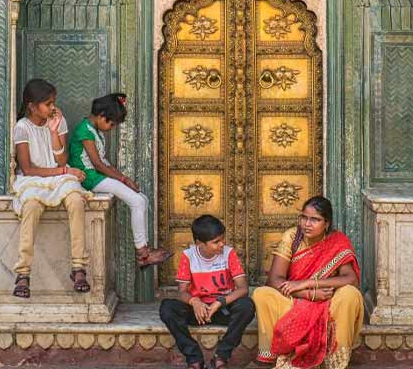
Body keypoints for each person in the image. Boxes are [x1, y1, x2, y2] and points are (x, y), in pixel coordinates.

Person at [252, 196, 364, 369]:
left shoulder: (337, 241)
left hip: (326, 304)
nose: (307, 224)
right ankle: (274, 356)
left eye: (315, 219)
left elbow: (350, 278)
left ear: (326, 223)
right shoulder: (292, 237)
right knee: (261, 294)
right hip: (294, 301)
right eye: (304, 217)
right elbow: (274, 279)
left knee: (351, 294)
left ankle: (335, 360)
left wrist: (308, 283)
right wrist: (306, 293)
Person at [68, 93, 171, 268]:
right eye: (111, 123)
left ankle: (145, 248)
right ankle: (142, 254)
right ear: (101, 116)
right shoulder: (84, 131)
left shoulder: (95, 131)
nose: (111, 127)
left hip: (98, 175)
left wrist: (125, 179)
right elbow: (98, 165)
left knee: (142, 199)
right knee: (137, 201)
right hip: (90, 178)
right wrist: (123, 179)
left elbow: (104, 162)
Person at [11, 78, 91, 298]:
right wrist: (65, 172)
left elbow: (61, 160)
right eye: (47, 103)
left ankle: (78, 268)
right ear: (32, 106)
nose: (53, 107)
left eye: (53, 102)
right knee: (31, 206)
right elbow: (27, 169)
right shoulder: (22, 128)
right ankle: (23, 273)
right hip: (33, 180)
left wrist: (54, 132)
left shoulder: (57, 121)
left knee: (76, 200)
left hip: (58, 177)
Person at [159, 215, 256, 369]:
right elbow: (182, 292)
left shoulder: (229, 253)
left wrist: (220, 302)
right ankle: (194, 359)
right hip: (199, 312)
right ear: (199, 243)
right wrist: (195, 302)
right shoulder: (188, 256)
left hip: (223, 309)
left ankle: (221, 357)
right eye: (216, 242)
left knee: (247, 306)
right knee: (167, 308)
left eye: (222, 239)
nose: (221, 244)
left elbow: (243, 289)